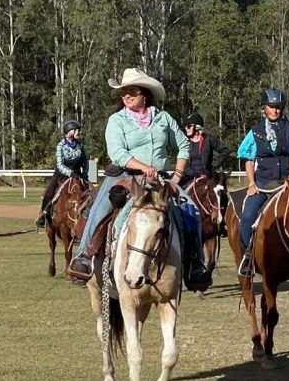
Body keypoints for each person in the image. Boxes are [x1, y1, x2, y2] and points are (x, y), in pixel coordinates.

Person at [65, 68, 211, 292]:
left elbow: (183, 146)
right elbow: (118, 153)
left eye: (132, 91)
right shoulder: (117, 120)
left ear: (145, 94)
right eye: (124, 92)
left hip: (161, 180)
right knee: (102, 206)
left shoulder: (163, 118)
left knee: (190, 210)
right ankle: (84, 255)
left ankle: (194, 264)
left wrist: (177, 178)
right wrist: (144, 168)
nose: (126, 95)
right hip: (125, 176)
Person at [235, 88, 289, 278]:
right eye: (272, 107)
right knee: (247, 217)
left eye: (279, 107)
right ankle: (248, 258)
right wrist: (251, 183)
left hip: (286, 182)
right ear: (264, 108)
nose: (276, 111)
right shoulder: (255, 132)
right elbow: (248, 159)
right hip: (263, 183)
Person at [35, 120, 89, 229]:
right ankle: (43, 215)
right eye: (77, 130)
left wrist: (84, 173)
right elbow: (59, 164)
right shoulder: (60, 146)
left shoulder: (80, 146)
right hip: (62, 174)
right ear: (70, 131)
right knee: (49, 193)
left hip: (77, 175)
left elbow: (85, 161)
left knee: (90, 192)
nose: (79, 132)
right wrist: (70, 173)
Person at [177, 112, 232, 188]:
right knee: (174, 189)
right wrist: (193, 174)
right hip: (189, 176)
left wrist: (214, 165)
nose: (186, 128)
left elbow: (225, 151)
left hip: (207, 177)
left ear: (197, 127)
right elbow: (183, 162)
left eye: (189, 126)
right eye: (186, 126)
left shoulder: (209, 139)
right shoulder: (185, 142)